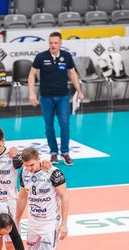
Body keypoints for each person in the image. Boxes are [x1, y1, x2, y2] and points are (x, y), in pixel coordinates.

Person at [28, 31, 84, 166]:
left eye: (56, 43)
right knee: (49, 126)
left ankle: (65, 152)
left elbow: (72, 73)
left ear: (60, 43)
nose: (53, 45)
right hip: (46, 97)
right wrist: (32, 93)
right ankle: (53, 152)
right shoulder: (41, 57)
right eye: (51, 43)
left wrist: (79, 91)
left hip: (63, 97)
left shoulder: (66, 56)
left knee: (65, 124)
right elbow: (32, 74)